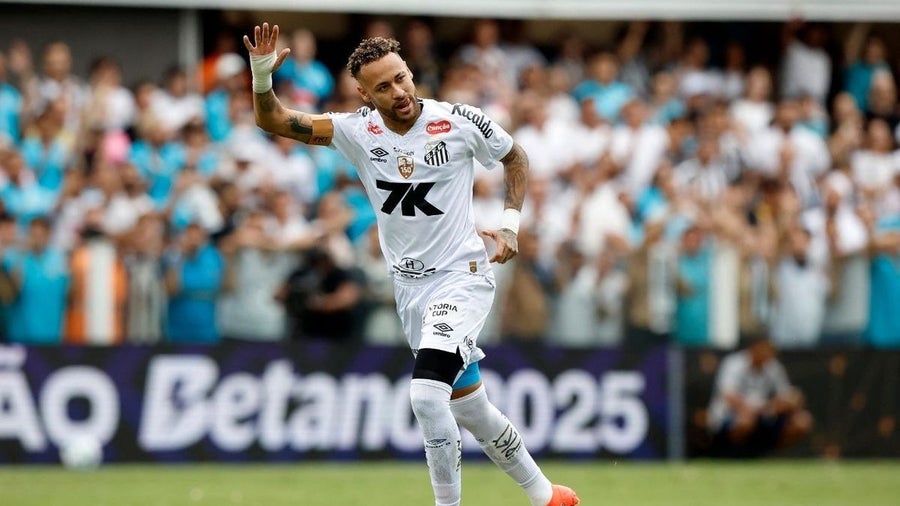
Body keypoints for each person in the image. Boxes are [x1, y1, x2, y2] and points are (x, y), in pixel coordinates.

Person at [244, 22, 579, 506]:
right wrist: (261, 75)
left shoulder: (458, 121)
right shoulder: (356, 131)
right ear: (364, 94)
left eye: (401, 77)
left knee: (425, 396)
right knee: (472, 409)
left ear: (410, 71)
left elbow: (516, 158)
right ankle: (547, 496)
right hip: (411, 291)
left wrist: (510, 225)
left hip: (461, 278)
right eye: (383, 86)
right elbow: (273, 120)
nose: (399, 91)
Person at [706, 334, 813, 458]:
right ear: (755, 348)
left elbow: (787, 395)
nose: (769, 354)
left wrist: (785, 403)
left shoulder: (774, 367)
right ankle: (734, 456)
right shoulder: (734, 363)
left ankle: (773, 456)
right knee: (745, 419)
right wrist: (751, 409)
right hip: (730, 415)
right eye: (766, 349)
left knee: (802, 420)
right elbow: (728, 395)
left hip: (765, 414)